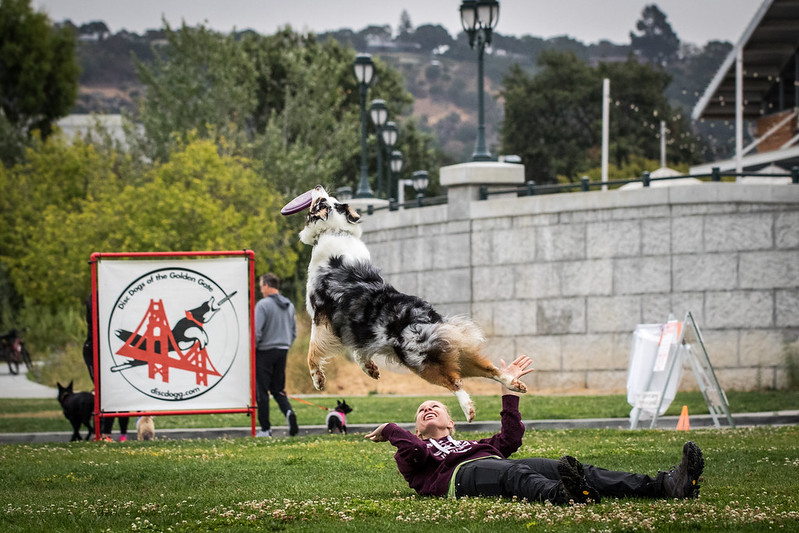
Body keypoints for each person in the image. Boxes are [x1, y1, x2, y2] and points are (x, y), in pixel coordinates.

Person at [365, 355, 704, 505]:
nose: (427, 409)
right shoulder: (415, 454)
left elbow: (510, 440)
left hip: (492, 461)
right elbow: (410, 450)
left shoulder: (476, 443)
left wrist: (507, 393)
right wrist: (393, 429)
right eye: (421, 412)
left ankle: (665, 486)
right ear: (418, 431)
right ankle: (566, 497)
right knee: (514, 476)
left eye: (434, 406)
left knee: (565, 467)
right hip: (461, 478)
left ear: (451, 421)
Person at [254, 273, 299, 437]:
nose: (260, 289)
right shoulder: (289, 305)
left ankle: (265, 429)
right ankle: (289, 412)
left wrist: (254, 349)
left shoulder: (263, 305)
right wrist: (285, 345)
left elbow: (256, 332)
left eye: (261, 285)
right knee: (278, 389)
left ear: (266, 285)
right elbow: (294, 332)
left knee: (262, 391)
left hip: (264, 352)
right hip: (282, 350)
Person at [83, 295, 129, 442]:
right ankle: (104, 434)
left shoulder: (116, 294)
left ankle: (121, 435)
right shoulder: (95, 298)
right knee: (106, 393)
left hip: (113, 349)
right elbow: (96, 321)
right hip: (96, 350)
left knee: (121, 393)